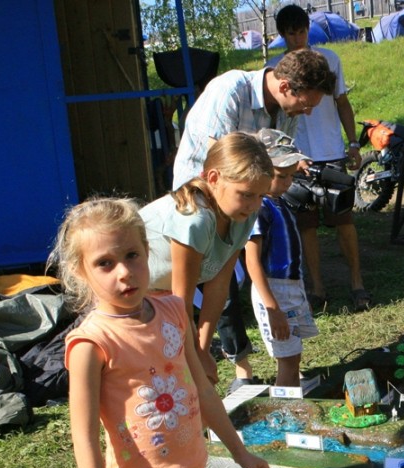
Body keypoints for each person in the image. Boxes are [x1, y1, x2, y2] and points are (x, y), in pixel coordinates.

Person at [54, 198, 273, 468]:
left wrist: (241, 453)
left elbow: (204, 392)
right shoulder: (90, 344)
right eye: (104, 263)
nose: (124, 272)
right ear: (81, 272)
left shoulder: (174, 311)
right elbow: (84, 440)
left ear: (147, 251)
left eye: (132, 255)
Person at [173, 48, 337, 393]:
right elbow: (220, 158)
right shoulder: (232, 90)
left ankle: (220, 361)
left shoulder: (285, 110)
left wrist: (293, 166)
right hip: (201, 202)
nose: (307, 112)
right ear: (286, 86)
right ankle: (226, 367)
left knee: (225, 281)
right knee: (209, 285)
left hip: (244, 200)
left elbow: (276, 156)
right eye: (306, 104)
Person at [141, 132, 273, 386]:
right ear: (213, 178)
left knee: (190, 377)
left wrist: (202, 349)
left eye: (261, 196)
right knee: (161, 377)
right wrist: (195, 356)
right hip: (132, 295)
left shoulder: (242, 216)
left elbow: (218, 286)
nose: (255, 205)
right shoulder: (195, 219)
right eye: (246, 194)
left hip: (165, 298)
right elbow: (182, 299)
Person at [267, 5, 371, 313]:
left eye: (301, 32)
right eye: (290, 34)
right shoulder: (273, 68)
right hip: (296, 157)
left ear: (308, 30)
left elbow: (342, 102)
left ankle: (357, 283)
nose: (297, 39)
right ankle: (317, 288)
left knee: (344, 220)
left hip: (332, 153)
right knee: (306, 225)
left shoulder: (329, 59)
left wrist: (353, 143)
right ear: (282, 34)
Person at [245, 129, 319, 387]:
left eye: (290, 175)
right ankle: (285, 407)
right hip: (273, 291)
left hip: (291, 287)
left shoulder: (280, 202)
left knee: (293, 356)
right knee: (286, 359)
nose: (287, 182)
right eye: (280, 176)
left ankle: (292, 401)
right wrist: (272, 308)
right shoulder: (259, 209)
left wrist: (301, 294)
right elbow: (252, 261)